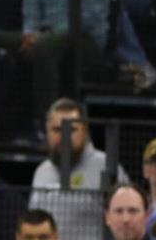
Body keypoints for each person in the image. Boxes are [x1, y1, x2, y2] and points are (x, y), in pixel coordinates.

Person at [30, 98, 128, 240]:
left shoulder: (106, 165)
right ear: (47, 132)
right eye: (57, 130)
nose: (63, 136)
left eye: (72, 129)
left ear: (85, 130)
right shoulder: (41, 172)